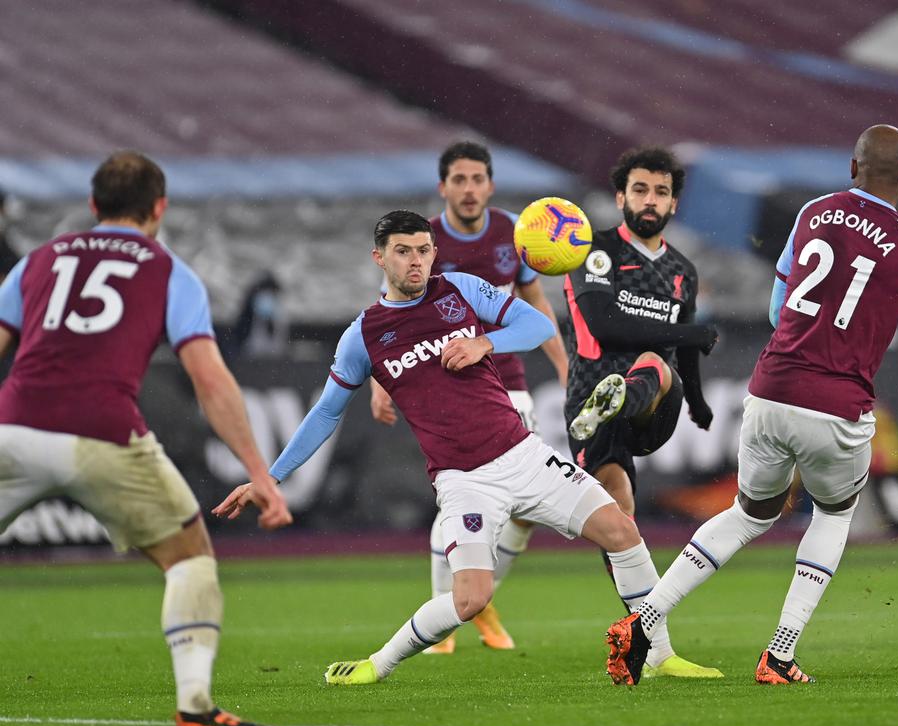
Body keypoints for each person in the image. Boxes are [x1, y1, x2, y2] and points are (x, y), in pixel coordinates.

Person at [214, 210, 665, 687]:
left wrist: (485, 343)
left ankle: (661, 653)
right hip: (465, 481)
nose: (416, 261)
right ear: (379, 257)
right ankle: (376, 665)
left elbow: (536, 326)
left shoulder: (460, 289)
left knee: (621, 529)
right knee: (471, 600)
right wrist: (270, 477)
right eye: (403, 252)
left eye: (424, 250)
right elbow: (326, 413)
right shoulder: (363, 336)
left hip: (526, 456)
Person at [604, 125, 898, 685]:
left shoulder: (812, 213)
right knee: (833, 514)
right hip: (837, 403)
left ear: (852, 168)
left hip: (770, 390)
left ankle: (644, 619)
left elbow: (778, 313)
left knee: (748, 513)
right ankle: (779, 654)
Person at [0, 151, 290, 726]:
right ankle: (197, 710)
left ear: (92, 205)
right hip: (103, 434)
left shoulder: (37, 261)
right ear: (159, 208)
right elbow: (209, 378)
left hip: (13, 426)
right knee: (189, 559)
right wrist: (258, 470)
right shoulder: (168, 272)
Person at [369, 141, 569, 654]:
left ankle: (479, 599)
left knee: (525, 510)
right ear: (443, 188)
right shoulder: (423, 240)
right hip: (448, 386)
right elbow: (389, 312)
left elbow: (533, 299)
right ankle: (448, 615)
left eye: (477, 178)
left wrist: (566, 365)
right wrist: (378, 380)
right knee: (464, 497)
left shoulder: (513, 232)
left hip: (508, 379)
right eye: (458, 179)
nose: (469, 188)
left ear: (490, 185)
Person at [563, 146, 722, 680]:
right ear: (620, 197)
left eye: (659, 191)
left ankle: (621, 396)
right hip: (588, 396)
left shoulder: (682, 271)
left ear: (673, 203)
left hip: (654, 403)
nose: (649, 200)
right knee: (619, 519)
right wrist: (687, 333)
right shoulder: (597, 251)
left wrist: (697, 402)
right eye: (639, 190)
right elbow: (605, 326)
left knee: (655, 363)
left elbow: (682, 353)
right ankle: (653, 648)